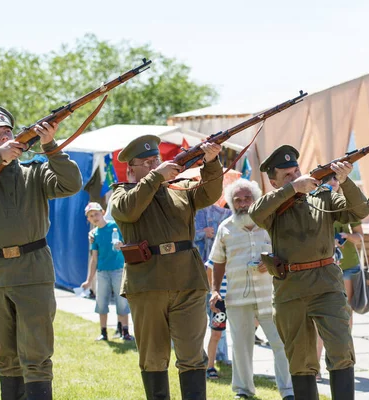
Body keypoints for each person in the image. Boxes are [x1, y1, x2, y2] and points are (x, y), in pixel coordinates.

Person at [0, 105, 82, 399]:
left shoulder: (34, 172)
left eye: (8, 132)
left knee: (36, 356)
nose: (4, 137)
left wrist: (50, 145)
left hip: (33, 270)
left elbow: (72, 184)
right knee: (6, 358)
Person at [249, 145, 369, 400]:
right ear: (274, 182)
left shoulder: (323, 196)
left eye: (297, 171)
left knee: (340, 349)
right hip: (291, 290)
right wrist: (292, 189)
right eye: (287, 176)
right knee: (301, 359)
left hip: (326, 285)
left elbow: (360, 211)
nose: (296, 177)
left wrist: (346, 181)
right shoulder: (272, 206)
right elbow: (255, 213)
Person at [110, 135, 223, 399]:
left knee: (193, 356)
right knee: (153, 357)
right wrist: (155, 177)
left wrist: (211, 161)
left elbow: (211, 192)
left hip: (187, 282)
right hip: (147, 285)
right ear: (131, 169)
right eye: (146, 162)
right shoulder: (122, 193)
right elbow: (127, 211)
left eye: (156, 160)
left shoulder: (179, 188)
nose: (153, 165)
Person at [210, 179, 294, 400]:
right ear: (231, 204)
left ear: (256, 200)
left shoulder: (271, 224)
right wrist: (215, 290)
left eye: (248, 198)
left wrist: (271, 263)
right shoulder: (225, 228)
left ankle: (288, 391)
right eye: (237, 200)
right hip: (237, 297)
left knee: (280, 343)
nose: (243, 203)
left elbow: (286, 252)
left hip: (271, 296)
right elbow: (217, 261)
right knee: (241, 346)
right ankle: (243, 390)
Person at [315, 176, 364, 380]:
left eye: (336, 180)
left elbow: (361, 238)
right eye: (327, 180)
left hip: (348, 266)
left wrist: (347, 237)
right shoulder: (315, 208)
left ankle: (345, 364)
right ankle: (316, 366)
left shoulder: (349, 209)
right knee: (321, 318)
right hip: (323, 269)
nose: (333, 183)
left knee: (345, 316)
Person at [81, 201, 133, 341]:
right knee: (101, 302)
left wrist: (121, 245)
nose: (94, 217)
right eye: (91, 216)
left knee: (122, 301)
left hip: (118, 270)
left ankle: (125, 332)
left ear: (103, 212)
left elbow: (126, 244)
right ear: (88, 219)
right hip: (102, 272)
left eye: (96, 213)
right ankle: (103, 333)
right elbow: (94, 258)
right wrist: (89, 280)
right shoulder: (94, 234)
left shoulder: (115, 227)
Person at [195, 203, 232, 366]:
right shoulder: (194, 212)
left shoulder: (227, 214)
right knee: (202, 322)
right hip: (200, 278)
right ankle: (206, 362)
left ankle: (221, 356)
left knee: (219, 329)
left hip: (224, 293)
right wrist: (202, 233)